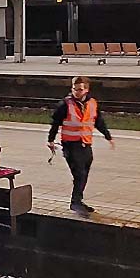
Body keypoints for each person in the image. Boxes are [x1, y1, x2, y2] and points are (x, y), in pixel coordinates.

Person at [47, 76, 115, 214]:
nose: (77, 92)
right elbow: (55, 123)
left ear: (86, 90)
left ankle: (78, 200)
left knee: (84, 173)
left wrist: (108, 137)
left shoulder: (92, 103)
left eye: (80, 90)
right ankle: (75, 202)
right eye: (75, 89)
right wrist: (51, 140)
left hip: (86, 144)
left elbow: (98, 122)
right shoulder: (65, 104)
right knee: (79, 173)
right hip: (70, 145)